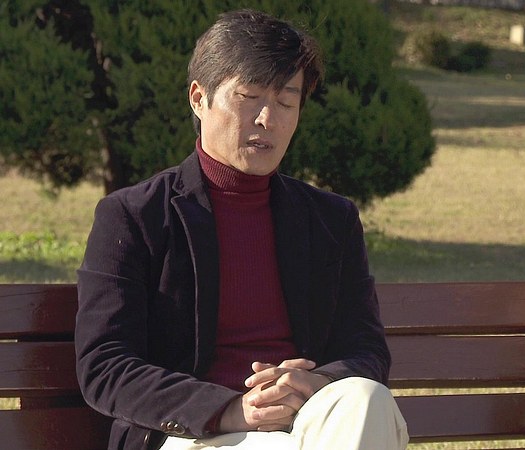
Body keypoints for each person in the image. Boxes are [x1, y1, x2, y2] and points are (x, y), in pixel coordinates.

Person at [75, 9, 408, 450]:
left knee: (366, 398)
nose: (268, 119)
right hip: (192, 434)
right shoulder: (134, 216)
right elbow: (105, 366)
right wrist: (231, 409)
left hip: (309, 424)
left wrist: (316, 382)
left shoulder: (330, 220)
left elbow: (366, 350)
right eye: (249, 97)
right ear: (199, 98)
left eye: (286, 102)